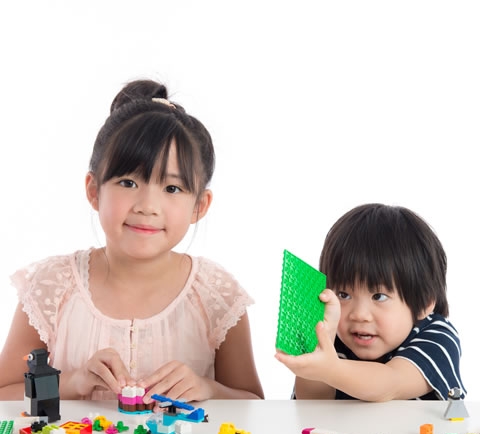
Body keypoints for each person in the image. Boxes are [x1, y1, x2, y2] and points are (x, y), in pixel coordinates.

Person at [0, 79, 264, 403]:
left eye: (172, 188)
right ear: (94, 191)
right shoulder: (52, 288)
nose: (147, 206)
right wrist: (73, 381)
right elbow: (4, 393)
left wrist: (208, 388)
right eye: (128, 182)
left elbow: (253, 404)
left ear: (200, 205)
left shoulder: (216, 296)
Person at [275, 203, 466, 401]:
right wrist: (319, 349)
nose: (359, 315)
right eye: (343, 295)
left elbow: (390, 384)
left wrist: (330, 368)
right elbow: (312, 406)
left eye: (379, 297)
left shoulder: (437, 338)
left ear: (425, 302)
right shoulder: (333, 335)